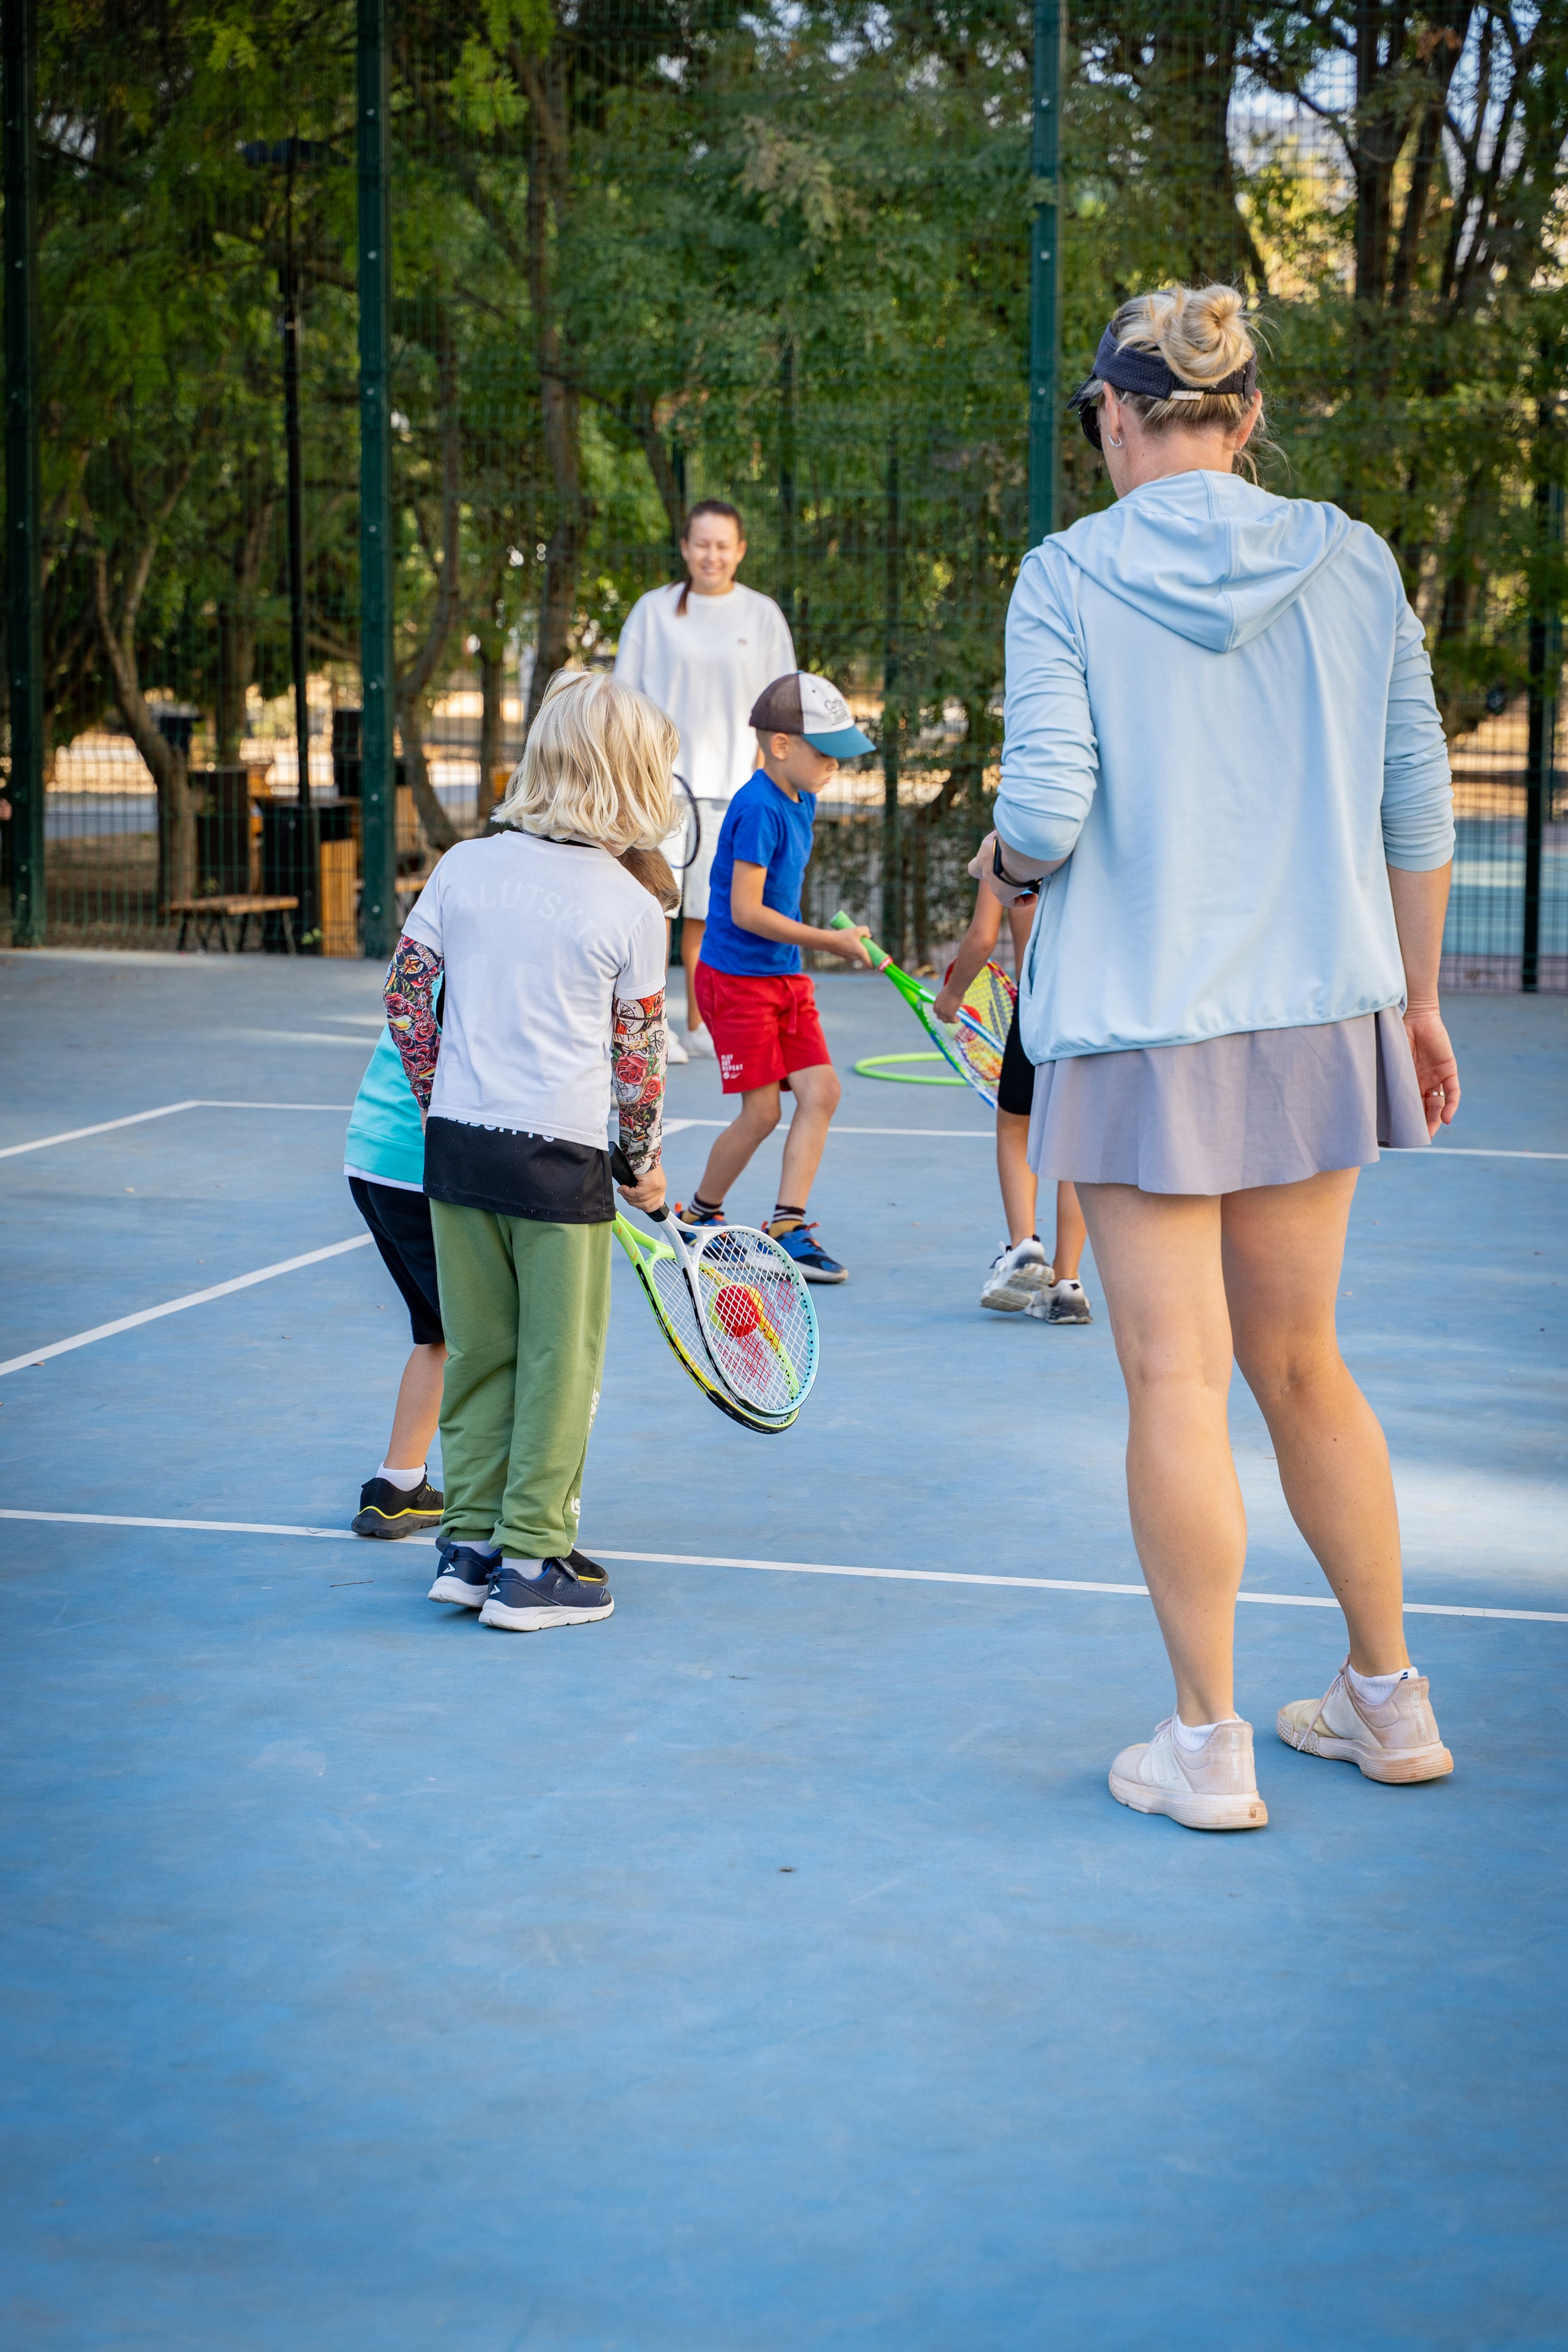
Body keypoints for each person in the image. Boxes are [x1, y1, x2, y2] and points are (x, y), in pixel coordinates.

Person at [988, 284, 1459, 1831]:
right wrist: (1417, 1002)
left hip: (1138, 1025)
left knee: (1175, 1378)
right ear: (1244, 418)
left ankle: (1206, 1743)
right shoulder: (1353, 558)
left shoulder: (1064, 575)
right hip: (1320, 1014)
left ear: (1113, 422)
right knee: (1301, 1361)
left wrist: (998, 871)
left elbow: (1043, 814)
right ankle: (1386, 1699)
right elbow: (1413, 804)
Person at [383, 669, 673, 1634]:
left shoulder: (464, 865)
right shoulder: (632, 906)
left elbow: (405, 998)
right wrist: (642, 1160)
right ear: (634, 779)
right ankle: (534, 1562)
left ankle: (469, 1548)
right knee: (560, 1363)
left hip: (457, 1153)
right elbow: (638, 1062)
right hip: (560, 1163)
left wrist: (442, 1100)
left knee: (480, 1353)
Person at [676, 670, 874, 1282]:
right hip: (737, 982)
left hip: (782, 976)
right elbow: (745, 911)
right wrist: (830, 942)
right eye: (826, 753)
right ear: (782, 745)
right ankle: (697, 1218)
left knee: (823, 1092)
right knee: (761, 1113)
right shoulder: (759, 807)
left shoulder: (801, 796)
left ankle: (788, 1228)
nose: (835, 765)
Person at [613, 500, 795, 1062]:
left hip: (734, 793)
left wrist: (764, 775)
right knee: (652, 912)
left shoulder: (762, 615)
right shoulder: (653, 611)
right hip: (659, 791)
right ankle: (649, 1028)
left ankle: (699, 1025)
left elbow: (782, 702)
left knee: (707, 915)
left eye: (722, 545)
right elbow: (623, 697)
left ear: (740, 550)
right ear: (685, 548)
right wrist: (637, 774)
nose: (711, 555)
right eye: (701, 544)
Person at [933, 876, 1092, 1324]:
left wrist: (953, 993)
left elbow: (983, 936)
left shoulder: (1010, 845)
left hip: (1040, 1005)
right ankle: (1067, 1284)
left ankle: (1024, 1246)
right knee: (1076, 1143)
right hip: (1097, 1011)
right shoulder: (1109, 844)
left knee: (1014, 1127)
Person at [343, 1029, 447, 1537]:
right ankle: (506, 1505)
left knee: (440, 1332)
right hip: (425, 1165)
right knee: (494, 1337)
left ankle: (397, 1486)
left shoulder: (422, 974)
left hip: (371, 1155)